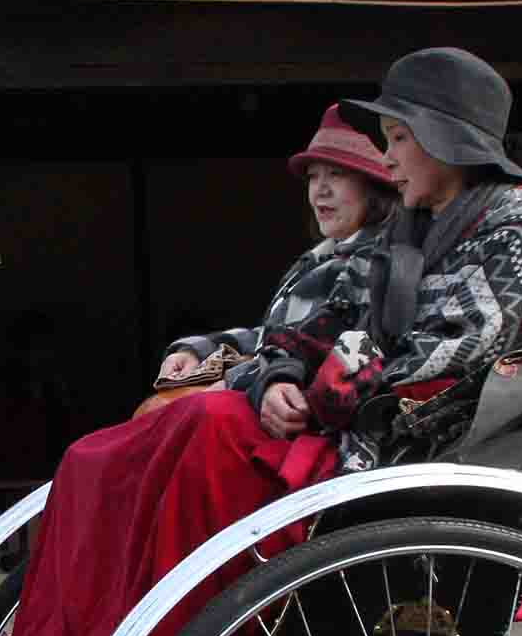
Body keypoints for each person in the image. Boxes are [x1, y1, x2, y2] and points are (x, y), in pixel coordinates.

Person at [0, 49, 522, 636]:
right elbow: (332, 322)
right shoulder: (412, 230)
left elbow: (430, 354)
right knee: (103, 453)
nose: (386, 160)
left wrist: (315, 386)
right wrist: (281, 370)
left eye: (396, 140)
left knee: (206, 426)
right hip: (339, 420)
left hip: (400, 445)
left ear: (450, 142)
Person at [144, 105, 398, 408]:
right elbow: (271, 337)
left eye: (336, 174)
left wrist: (226, 383)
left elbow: (309, 353)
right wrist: (197, 352)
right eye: (313, 177)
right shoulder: (312, 263)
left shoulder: (374, 263)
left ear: (374, 188)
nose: (320, 191)